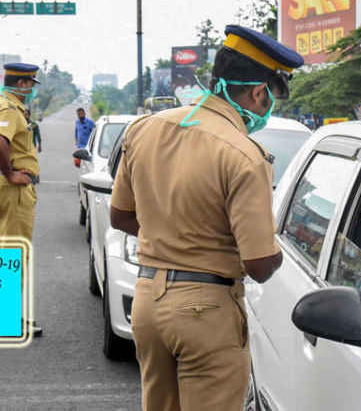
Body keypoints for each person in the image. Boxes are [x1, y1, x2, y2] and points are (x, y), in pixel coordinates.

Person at [110, 25, 303, 411]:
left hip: (148, 301)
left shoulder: (145, 129)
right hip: (205, 312)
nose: (266, 110)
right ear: (258, 92)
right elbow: (259, 264)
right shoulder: (245, 155)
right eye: (269, 100)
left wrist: (174, 237)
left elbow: (120, 216)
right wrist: (283, 243)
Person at [0, 62, 42, 336]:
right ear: (22, 84)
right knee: (14, 253)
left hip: (2, 186)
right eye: (30, 84)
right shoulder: (9, 110)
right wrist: (9, 174)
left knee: (4, 252)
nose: (31, 89)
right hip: (13, 190)